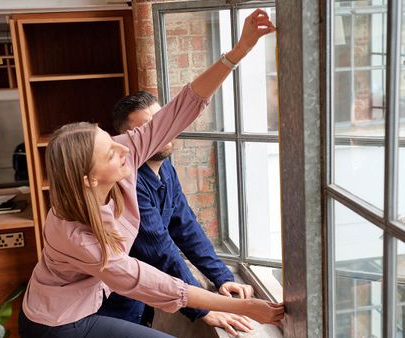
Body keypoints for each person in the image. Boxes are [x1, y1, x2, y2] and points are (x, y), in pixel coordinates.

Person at [18, 9, 282, 338]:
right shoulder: (78, 237)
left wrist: (238, 51)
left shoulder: (124, 159)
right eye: (111, 152)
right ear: (89, 178)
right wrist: (237, 307)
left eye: (114, 141)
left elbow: (182, 107)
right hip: (59, 323)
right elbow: (149, 277)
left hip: (98, 298)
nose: (126, 150)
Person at [97, 91, 254, 335]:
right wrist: (203, 307)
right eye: (151, 128)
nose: (164, 131)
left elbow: (185, 225)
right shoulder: (128, 181)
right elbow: (161, 251)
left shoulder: (166, 167)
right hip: (110, 302)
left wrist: (222, 276)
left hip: (138, 296)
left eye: (163, 121)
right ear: (132, 139)